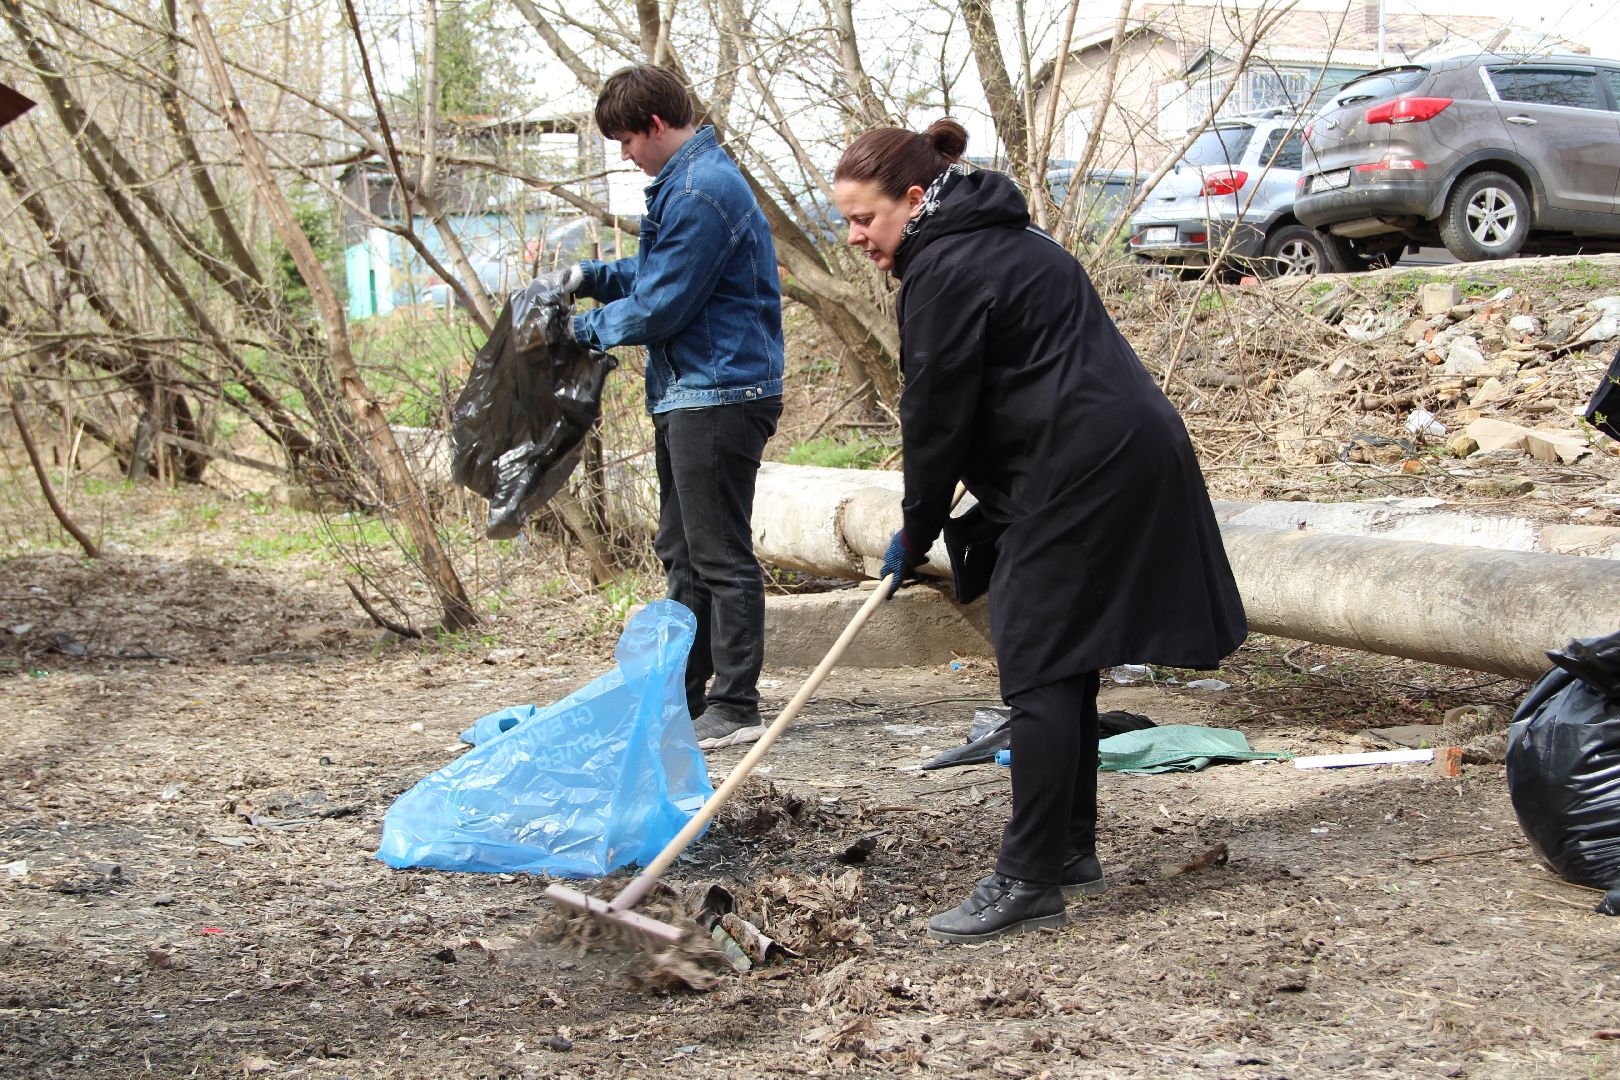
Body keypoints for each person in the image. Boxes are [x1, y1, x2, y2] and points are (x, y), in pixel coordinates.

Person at [832, 120, 1247, 944]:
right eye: (844, 222)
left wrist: (916, 530)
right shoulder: (1009, 240)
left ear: (914, 202)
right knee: (1064, 658)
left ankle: (1027, 878)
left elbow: (936, 419)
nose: (855, 239)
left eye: (865, 220)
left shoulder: (944, 268)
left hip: (1084, 468)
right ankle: (1066, 853)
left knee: (1039, 660)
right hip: (1109, 452)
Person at [536, 65, 786, 750]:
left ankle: (736, 705)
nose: (624, 155)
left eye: (624, 140)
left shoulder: (703, 190)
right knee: (682, 551)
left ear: (653, 124)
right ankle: (686, 694)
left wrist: (576, 330)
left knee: (719, 556)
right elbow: (654, 274)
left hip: (720, 393)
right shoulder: (686, 186)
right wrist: (586, 279)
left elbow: (662, 304)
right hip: (691, 392)